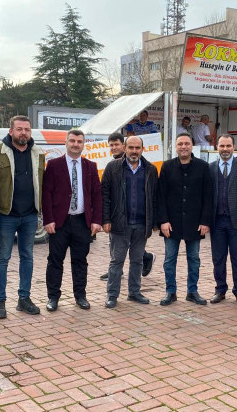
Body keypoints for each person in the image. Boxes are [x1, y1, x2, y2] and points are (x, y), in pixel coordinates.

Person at [0, 116, 45, 319]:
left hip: (29, 215)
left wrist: (40, 211)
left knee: (27, 257)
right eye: (19, 129)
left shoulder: (38, 153)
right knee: (2, 258)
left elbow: (41, 182)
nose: (23, 133)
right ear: (11, 131)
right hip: (6, 215)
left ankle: (24, 298)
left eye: (27, 129)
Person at [42, 129, 102, 311]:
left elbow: (96, 195)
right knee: (55, 261)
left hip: (82, 222)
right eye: (72, 141)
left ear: (83, 144)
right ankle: (53, 297)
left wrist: (96, 220)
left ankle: (80, 296)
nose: (76, 144)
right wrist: (48, 219)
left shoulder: (90, 166)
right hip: (59, 222)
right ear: (66, 142)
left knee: (80, 261)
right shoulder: (54, 165)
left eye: (79, 141)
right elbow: (47, 193)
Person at [101, 136, 158, 308]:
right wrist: (106, 219)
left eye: (137, 148)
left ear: (142, 149)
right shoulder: (113, 168)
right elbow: (104, 195)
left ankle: (134, 292)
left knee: (137, 261)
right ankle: (112, 295)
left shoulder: (150, 169)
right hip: (120, 224)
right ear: (125, 148)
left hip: (141, 224)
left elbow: (154, 197)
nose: (134, 151)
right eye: (131, 147)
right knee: (116, 261)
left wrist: (154, 222)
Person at [158, 133, 213, 306]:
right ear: (175, 147)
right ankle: (170, 292)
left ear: (192, 146)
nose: (183, 146)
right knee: (169, 259)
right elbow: (160, 196)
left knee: (194, 259)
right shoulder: (167, 167)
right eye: (180, 144)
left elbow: (208, 197)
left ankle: (192, 291)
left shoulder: (203, 167)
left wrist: (205, 221)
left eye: (186, 143)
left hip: (195, 223)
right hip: (171, 222)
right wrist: (163, 220)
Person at [208, 135, 237, 306]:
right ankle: (220, 290)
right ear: (217, 147)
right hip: (217, 221)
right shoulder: (211, 168)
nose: (225, 149)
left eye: (228, 146)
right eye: (222, 146)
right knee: (218, 259)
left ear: (234, 147)